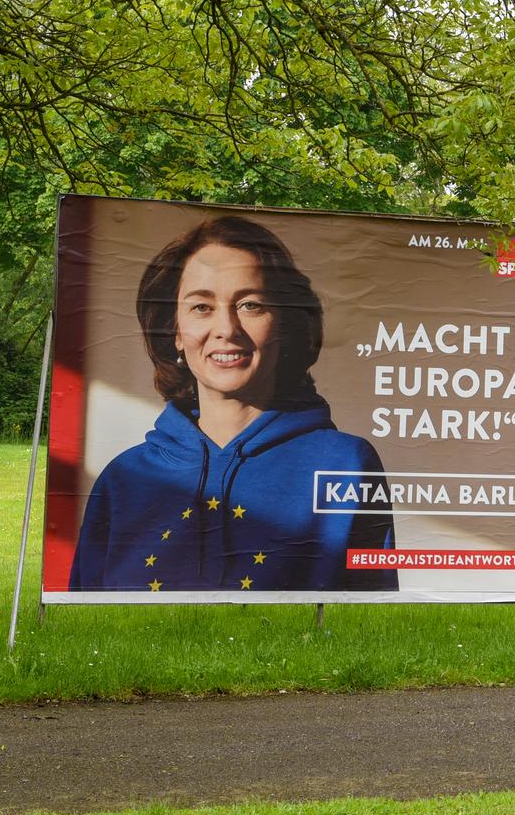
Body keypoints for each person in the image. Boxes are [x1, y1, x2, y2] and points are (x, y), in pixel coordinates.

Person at [70, 216, 398, 592]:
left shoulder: (346, 464)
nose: (227, 328)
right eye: (201, 307)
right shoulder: (124, 478)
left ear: (285, 324)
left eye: (250, 305)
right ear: (175, 331)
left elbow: (371, 617)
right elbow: (85, 618)